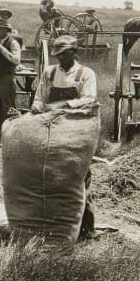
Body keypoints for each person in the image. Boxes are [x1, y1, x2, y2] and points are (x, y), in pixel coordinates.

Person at [30, 35, 99, 239]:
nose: (61, 58)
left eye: (65, 54)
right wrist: (37, 107)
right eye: (58, 55)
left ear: (74, 52)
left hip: (77, 131)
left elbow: (89, 99)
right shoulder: (49, 73)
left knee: (79, 178)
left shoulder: (85, 74)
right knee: (50, 176)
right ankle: (53, 226)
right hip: (52, 130)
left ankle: (87, 228)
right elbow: (39, 98)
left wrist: (65, 105)